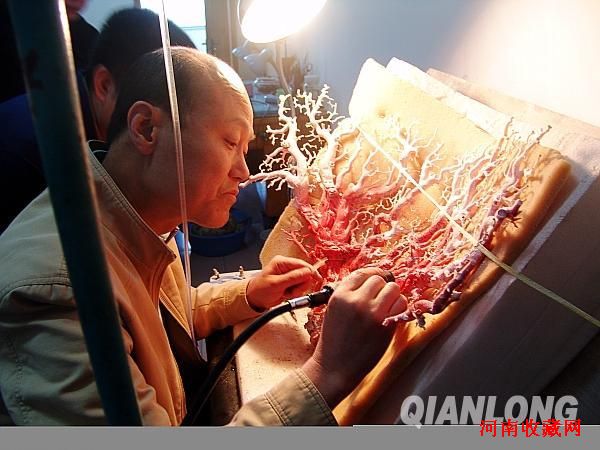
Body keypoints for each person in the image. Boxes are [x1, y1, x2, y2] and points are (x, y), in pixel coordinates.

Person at [0, 47, 408, 425]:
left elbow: (163, 315)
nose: (244, 173)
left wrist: (251, 293)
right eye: (231, 142)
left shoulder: (140, 218)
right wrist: (327, 372)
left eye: (245, 149)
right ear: (146, 129)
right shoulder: (58, 291)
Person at [0, 8, 195, 234]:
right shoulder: (44, 150)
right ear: (104, 85)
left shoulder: (90, 112)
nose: (161, 129)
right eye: (148, 118)